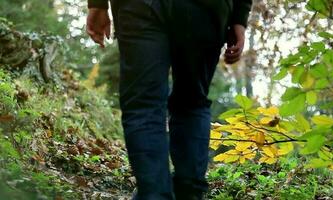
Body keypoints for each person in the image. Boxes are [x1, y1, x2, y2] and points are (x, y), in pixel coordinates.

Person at [86, 0, 252, 199]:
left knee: (144, 105)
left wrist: (97, 5)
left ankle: (155, 194)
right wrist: (239, 19)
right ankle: (188, 193)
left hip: (140, 7)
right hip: (206, 10)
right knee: (192, 103)